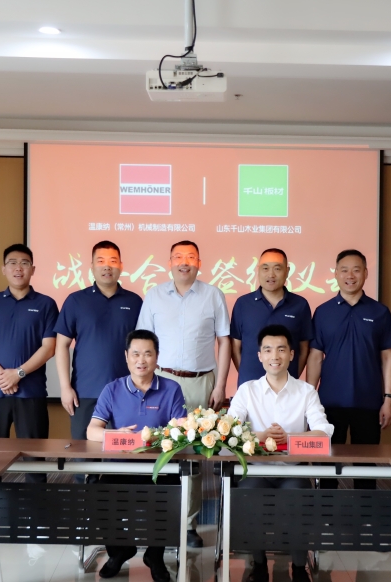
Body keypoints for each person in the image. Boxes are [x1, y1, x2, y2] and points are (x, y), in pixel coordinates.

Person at [136, 239, 231, 547]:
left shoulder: (213, 295)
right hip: (161, 382)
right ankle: (156, 520)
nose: (184, 262)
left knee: (194, 454)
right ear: (170, 262)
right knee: (159, 449)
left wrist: (220, 385)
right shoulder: (154, 295)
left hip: (201, 381)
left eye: (191, 257)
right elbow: (143, 342)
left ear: (199, 263)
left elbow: (224, 341)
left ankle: (189, 525)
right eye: (178, 256)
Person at [229, 324, 334, 582]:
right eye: (268, 350)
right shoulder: (247, 390)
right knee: (248, 498)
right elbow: (229, 432)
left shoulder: (306, 391)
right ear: (259, 356)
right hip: (256, 470)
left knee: (298, 500)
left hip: (293, 470)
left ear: (291, 354)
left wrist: (289, 439)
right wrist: (261, 436)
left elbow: (323, 432)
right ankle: (259, 565)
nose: (274, 356)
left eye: (281, 349)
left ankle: (298, 568)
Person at [87, 329, 186, 582]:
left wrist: (159, 436)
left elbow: (183, 430)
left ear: (157, 357)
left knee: (173, 496)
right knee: (97, 498)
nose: (141, 360)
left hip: (159, 469)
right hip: (120, 468)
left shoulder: (172, 388)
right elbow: (92, 431)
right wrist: (115, 434)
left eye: (148, 354)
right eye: (136, 354)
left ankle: (155, 555)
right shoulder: (112, 389)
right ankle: (120, 550)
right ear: (126, 357)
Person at [306, 249, 391, 489]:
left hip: (368, 402)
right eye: (344, 270)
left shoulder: (380, 312)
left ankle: (364, 510)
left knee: (366, 466)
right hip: (329, 402)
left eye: (356, 270)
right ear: (335, 274)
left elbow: (388, 357)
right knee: (327, 465)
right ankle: (327, 509)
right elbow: (315, 357)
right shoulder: (323, 312)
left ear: (366, 273)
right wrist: (308, 399)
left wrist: (388, 398)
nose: (350, 275)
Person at [0, 244, 58, 482]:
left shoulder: (46, 304)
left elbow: (49, 347)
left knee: (34, 460)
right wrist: (2, 375)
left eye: (24, 263)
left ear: (33, 269)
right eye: (12, 263)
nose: (18, 268)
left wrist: (18, 373)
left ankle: (35, 505)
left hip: (31, 393)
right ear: (3, 269)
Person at [55, 241, 142, 440]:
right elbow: (61, 345)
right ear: (92, 266)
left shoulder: (134, 301)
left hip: (126, 391)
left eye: (113, 261)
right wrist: (65, 387)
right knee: (84, 449)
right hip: (84, 392)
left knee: (124, 448)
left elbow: (144, 348)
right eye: (101, 261)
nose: (107, 266)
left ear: (121, 266)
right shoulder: (76, 300)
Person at [230, 248, 312, 385]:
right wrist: (247, 376)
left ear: (287, 271)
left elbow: (304, 349)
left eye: (277, 269)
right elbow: (235, 347)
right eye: (265, 268)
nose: (271, 274)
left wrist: (292, 377)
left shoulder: (300, 305)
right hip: (250, 386)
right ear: (258, 270)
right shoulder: (243, 304)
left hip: (287, 387)